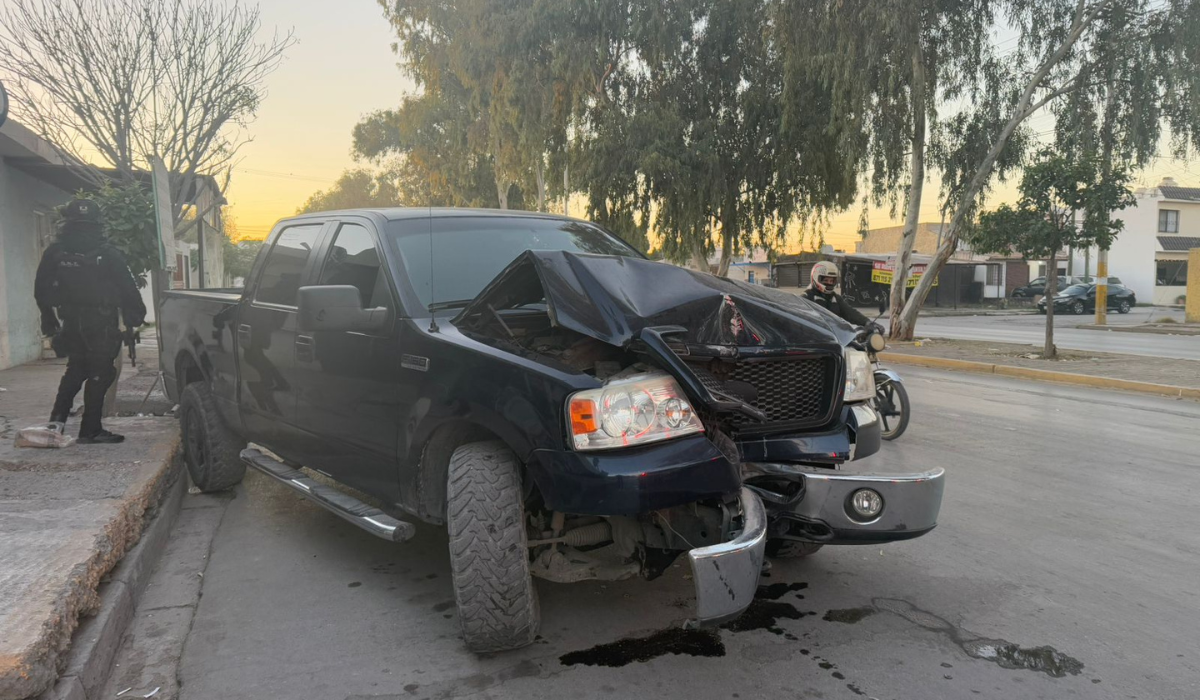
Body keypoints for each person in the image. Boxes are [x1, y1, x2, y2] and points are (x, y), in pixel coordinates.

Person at [34, 198, 146, 444]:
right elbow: (128, 288)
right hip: (100, 321)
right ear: (98, 222)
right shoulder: (108, 253)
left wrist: (48, 319)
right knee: (101, 371)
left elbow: (41, 288)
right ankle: (90, 428)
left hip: (71, 320)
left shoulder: (56, 251)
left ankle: (56, 423)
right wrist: (135, 316)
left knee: (75, 369)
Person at [802, 260, 870, 326]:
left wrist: (867, 322)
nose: (829, 283)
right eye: (826, 280)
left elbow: (850, 312)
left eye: (832, 280)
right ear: (815, 278)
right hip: (816, 335)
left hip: (835, 334)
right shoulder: (806, 298)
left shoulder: (835, 298)